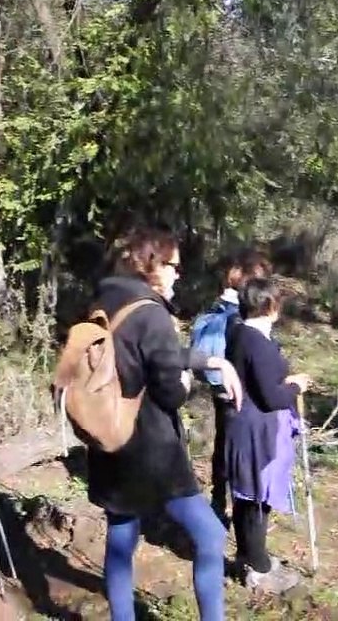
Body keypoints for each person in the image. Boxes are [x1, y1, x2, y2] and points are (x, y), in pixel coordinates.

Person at [87, 226, 243, 621]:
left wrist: (210, 360)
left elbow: (147, 355)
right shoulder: (152, 312)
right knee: (210, 534)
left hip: (109, 439)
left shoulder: (106, 300)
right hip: (152, 449)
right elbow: (170, 389)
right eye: (173, 265)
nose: (178, 273)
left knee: (121, 536)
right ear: (151, 265)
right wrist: (185, 383)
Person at [223, 277, 308, 593]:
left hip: (246, 425)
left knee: (247, 497)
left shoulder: (239, 333)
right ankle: (259, 570)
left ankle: (249, 557)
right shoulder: (256, 342)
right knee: (257, 498)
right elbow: (271, 397)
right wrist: (296, 386)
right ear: (270, 305)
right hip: (257, 430)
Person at [190, 248, 272, 527]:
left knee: (222, 444)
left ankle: (217, 501)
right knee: (240, 453)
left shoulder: (219, 306)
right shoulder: (243, 316)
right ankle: (243, 513)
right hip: (240, 392)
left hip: (220, 390)